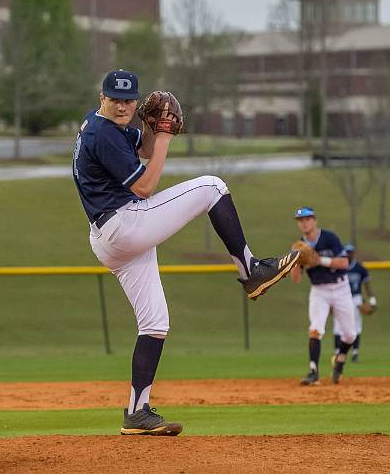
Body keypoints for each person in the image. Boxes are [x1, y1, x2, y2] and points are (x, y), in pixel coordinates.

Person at [72, 69, 300, 435]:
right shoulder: (103, 133)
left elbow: (142, 149)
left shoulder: (102, 126)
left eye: (129, 100)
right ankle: (251, 270)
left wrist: (151, 130)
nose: (122, 106)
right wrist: (163, 135)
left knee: (155, 324)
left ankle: (137, 412)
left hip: (111, 237)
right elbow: (145, 186)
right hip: (124, 223)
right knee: (212, 187)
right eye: (115, 98)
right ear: (102, 97)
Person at [289, 207, 356, 385]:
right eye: (300, 220)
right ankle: (313, 372)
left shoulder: (329, 238)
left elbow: (344, 263)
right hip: (319, 291)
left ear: (314, 221)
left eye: (307, 219)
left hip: (341, 288)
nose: (304, 223)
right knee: (316, 329)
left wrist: (320, 260)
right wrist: (294, 262)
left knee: (350, 335)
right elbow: (295, 280)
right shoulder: (300, 247)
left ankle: (340, 359)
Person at [333, 244, 377, 363]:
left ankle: (355, 353)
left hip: (356, 298)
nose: (348, 254)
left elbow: (367, 285)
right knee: (338, 325)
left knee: (356, 325)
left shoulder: (359, 268)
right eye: (347, 252)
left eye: (350, 252)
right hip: (341, 297)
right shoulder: (339, 266)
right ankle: (337, 352)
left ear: (353, 253)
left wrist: (372, 300)